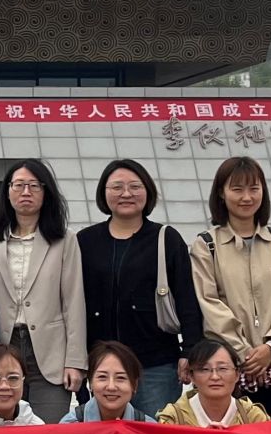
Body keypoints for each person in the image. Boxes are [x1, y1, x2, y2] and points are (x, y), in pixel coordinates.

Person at [76, 159, 202, 420]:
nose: (126, 193)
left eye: (135, 186)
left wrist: (190, 350)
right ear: (103, 193)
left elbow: (187, 298)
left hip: (155, 364)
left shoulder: (166, 238)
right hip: (99, 364)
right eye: (117, 187)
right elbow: (72, 301)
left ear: (148, 191)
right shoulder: (85, 241)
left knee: (153, 432)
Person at [190, 156, 271, 418]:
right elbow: (209, 303)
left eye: (254, 188)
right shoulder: (206, 245)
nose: (246, 197)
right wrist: (245, 353)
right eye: (237, 189)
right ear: (221, 193)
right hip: (227, 367)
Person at [0, 159, 87, 418]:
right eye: (19, 185)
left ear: (46, 192)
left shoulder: (64, 240)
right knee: (3, 429)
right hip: (3, 347)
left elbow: (73, 302)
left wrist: (75, 362)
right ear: (7, 192)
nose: (26, 192)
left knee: (48, 431)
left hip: (50, 352)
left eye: (34, 186)